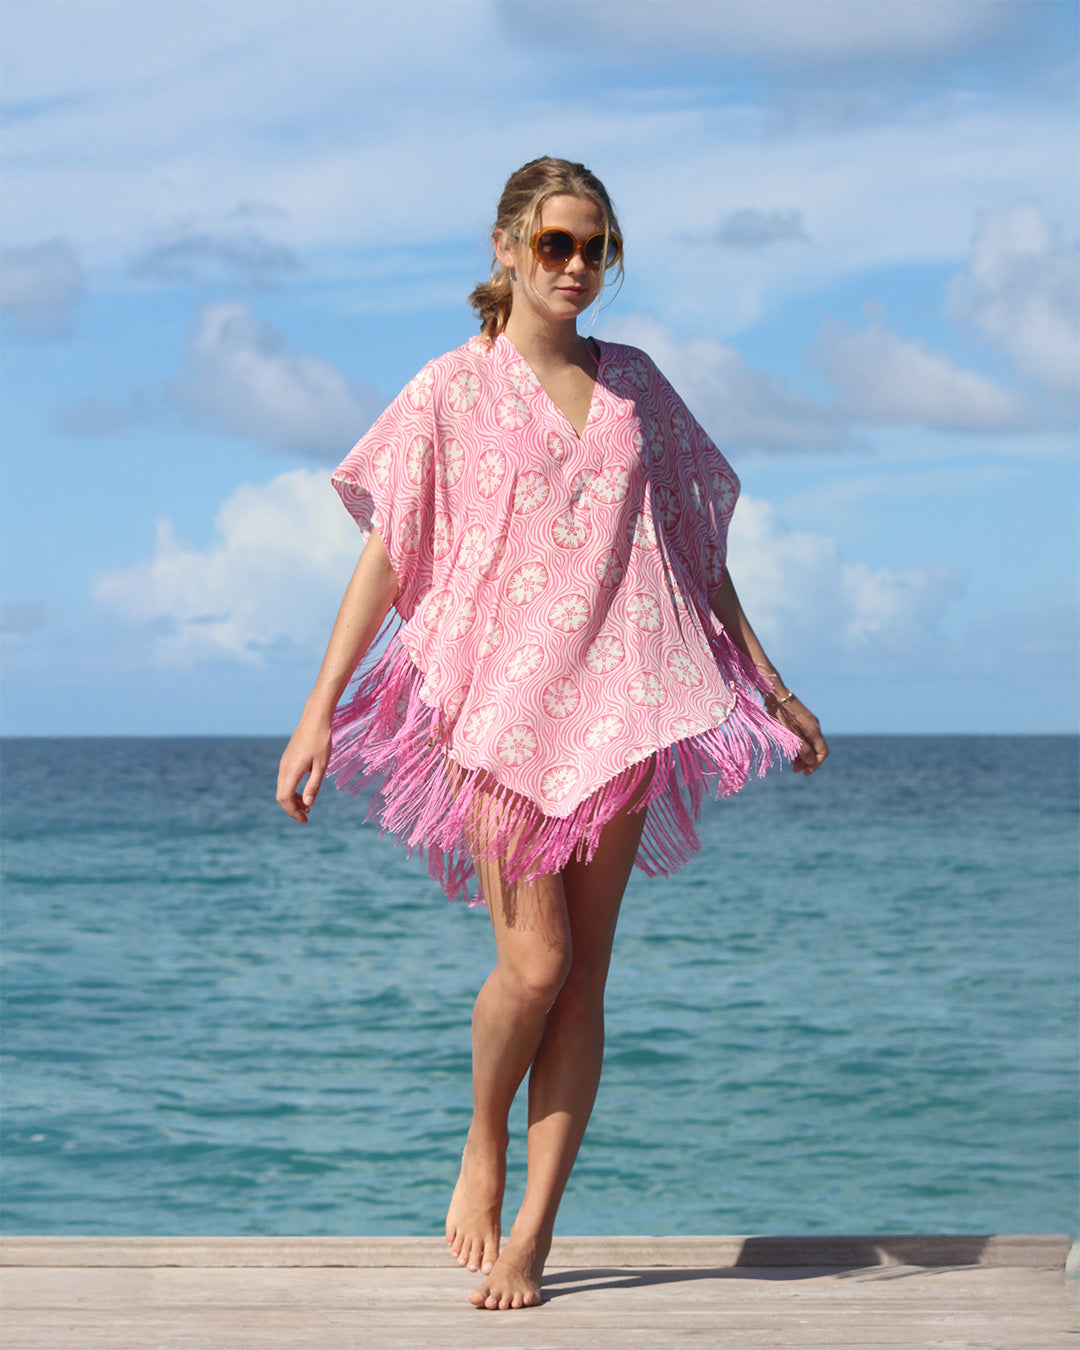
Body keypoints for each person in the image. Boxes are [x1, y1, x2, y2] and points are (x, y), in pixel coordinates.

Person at [276, 156, 828, 1311]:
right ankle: (482, 1140)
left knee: (587, 982)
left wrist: (770, 685)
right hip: (502, 708)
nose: (577, 267)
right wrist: (319, 706)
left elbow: (694, 550)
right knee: (533, 965)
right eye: (556, 246)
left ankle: (533, 1234)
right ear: (506, 247)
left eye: (595, 249)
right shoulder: (449, 390)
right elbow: (388, 550)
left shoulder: (637, 388)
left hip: (623, 699)